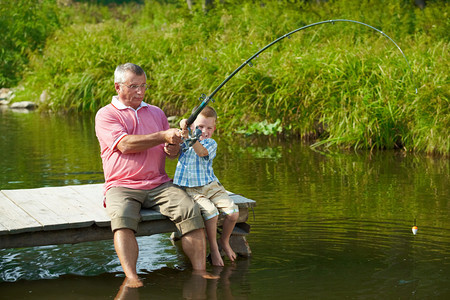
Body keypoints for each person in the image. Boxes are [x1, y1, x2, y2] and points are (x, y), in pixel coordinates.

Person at [95, 63, 211, 288]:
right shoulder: (106, 115)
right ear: (118, 87)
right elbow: (125, 145)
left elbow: (171, 153)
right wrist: (162, 135)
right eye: (133, 86)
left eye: (143, 86)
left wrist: (172, 145)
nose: (140, 91)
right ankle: (132, 277)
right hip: (122, 185)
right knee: (122, 219)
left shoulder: (156, 112)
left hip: (159, 184)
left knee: (190, 210)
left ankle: (200, 272)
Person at [174, 106, 239, 266]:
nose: (204, 131)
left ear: (214, 129)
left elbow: (201, 152)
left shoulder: (211, 143)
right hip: (192, 189)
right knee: (211, 212)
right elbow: (172, 149)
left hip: (211, 186)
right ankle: (214, 249)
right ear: (192, 126)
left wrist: (191, 136)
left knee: (233, 213)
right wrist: (182, 129)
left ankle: (224, 241)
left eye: (209, 128)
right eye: (200, 127)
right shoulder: (184, 141)